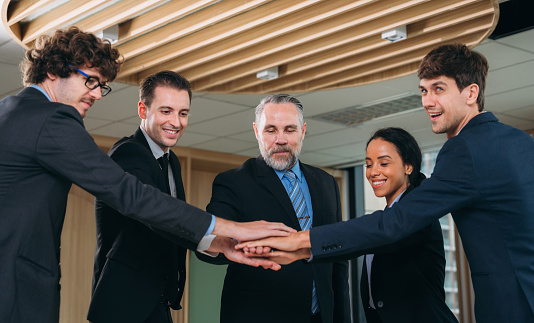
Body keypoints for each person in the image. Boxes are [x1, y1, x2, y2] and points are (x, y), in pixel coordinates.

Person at [0, 27, 293, 323]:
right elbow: (131, 195)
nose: (97, 94)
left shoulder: (8, 111)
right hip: (17, 288)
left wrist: (217, 242)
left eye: (101, 85)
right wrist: (231, 229)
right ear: (52, 70)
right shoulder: (54, 120)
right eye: (89, 81)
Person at [240, 43, 534, 322]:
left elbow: (393, 224)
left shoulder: (464, 149)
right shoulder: (521, 142)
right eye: (423, 91)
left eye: (439, 89)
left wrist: (302, 241)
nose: (428, 101)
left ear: (471, 93)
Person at [200, 94, 350, 323]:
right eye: (271, 130)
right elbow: (213, 241)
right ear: (256, 131)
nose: (281, 139)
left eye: (289, 130)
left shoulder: (326, 182)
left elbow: (337, 260)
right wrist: (218, 242)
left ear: (303, 131)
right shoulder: (233, 183)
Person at [88, 71, 196, 322]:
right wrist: (213, 238)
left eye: (183, 113)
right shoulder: (129, 154)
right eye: (166, 111)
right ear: (143, 110)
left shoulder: (171, 160)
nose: (176, 122)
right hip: (125, 304)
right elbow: (159, 217)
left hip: (156, 299)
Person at [361, 127, 457, 323]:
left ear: (408, 166)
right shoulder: (390, 216)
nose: (373, 172)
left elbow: (377, 234)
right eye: (369, 165)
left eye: (384, 163)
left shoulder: (416, 213)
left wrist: (308, 242)